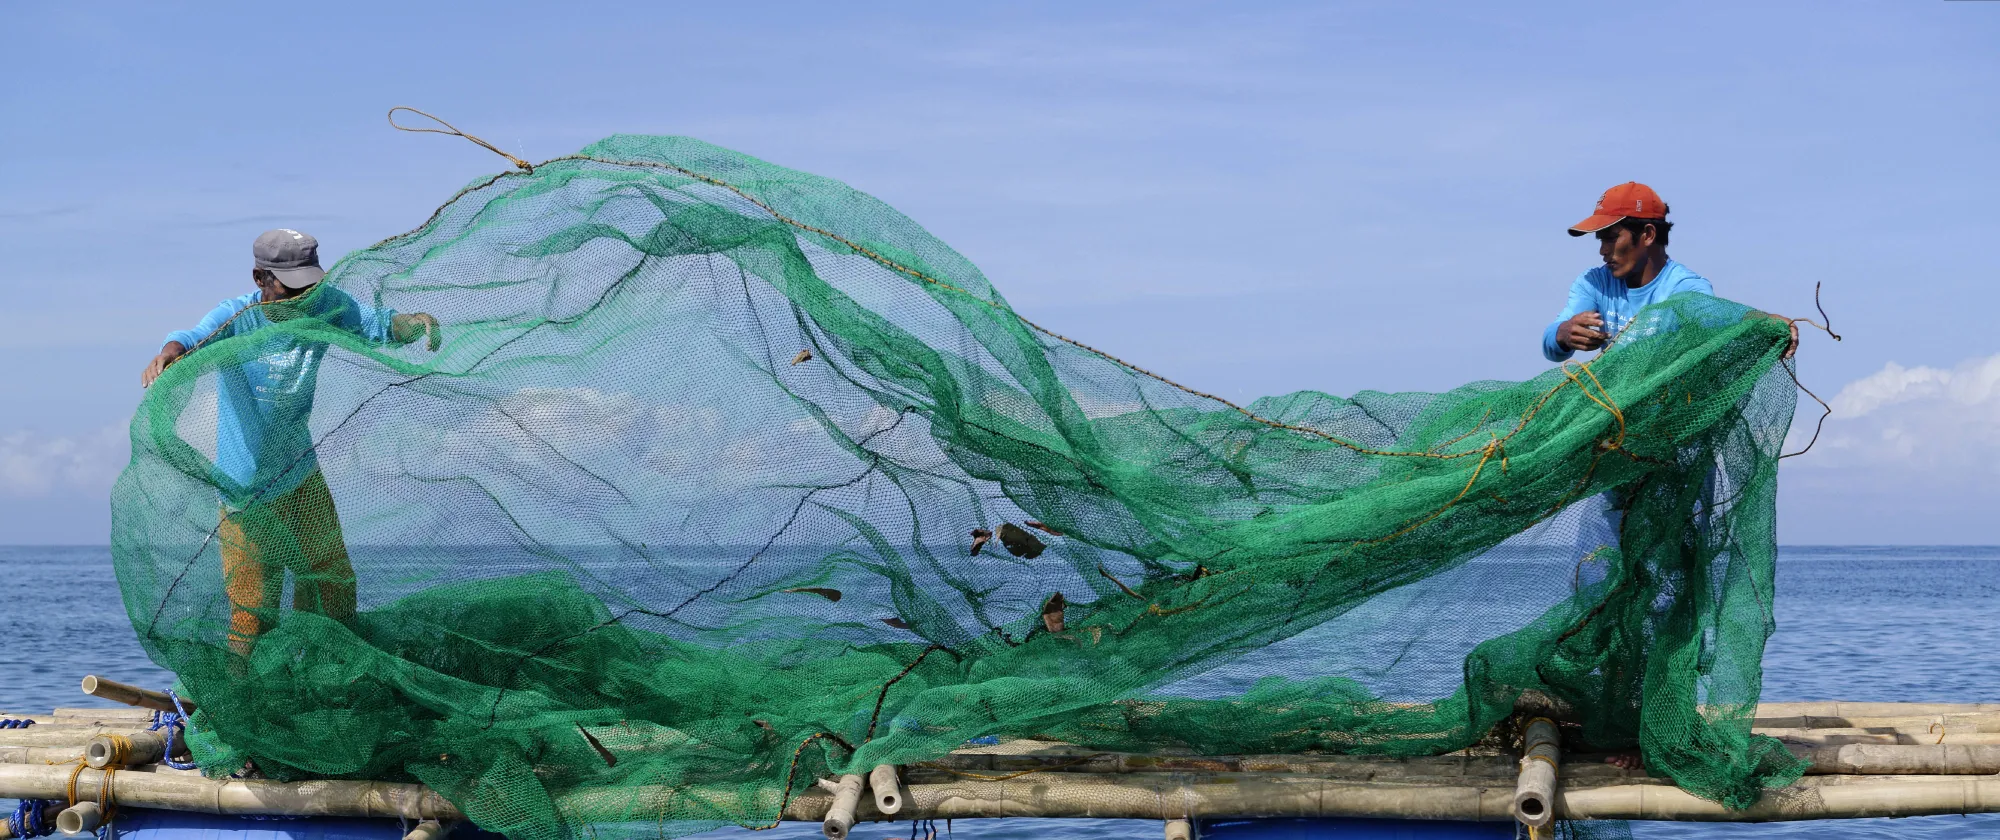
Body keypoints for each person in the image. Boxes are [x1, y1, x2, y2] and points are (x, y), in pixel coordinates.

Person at [141, 229, 441, 657]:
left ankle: (320, 677)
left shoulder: (323, 306)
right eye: (291, 286)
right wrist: (169, 352)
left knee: (333, 588)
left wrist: (415, 323)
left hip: (301, 479)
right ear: (260, 278)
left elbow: (375, 324)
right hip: (244, 492)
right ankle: (241, 692)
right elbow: (190, 338)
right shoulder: (237, 317)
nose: (303, 296)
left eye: (309, 284)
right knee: (253, 613)